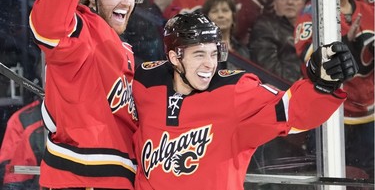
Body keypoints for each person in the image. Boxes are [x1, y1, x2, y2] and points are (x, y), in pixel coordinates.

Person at [132, 12, 358, 190]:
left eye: (213, 54)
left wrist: (322, 85)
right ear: (174, 57)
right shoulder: (143, 82)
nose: (210, 64)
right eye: (199, 54)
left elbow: (290, 112)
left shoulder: (235, 90)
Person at [29, 0, 140, 189]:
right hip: (83, 175)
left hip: (118, 175)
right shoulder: (82, 28)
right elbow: (47, 27)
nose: (125, 1)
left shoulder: (125, 49)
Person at [294, 0, 374, 179]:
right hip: (326, 112)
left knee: (365, 178)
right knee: (324, 177)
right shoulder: (311, 15)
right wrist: (346, 45)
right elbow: (310, 62)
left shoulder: (371, 13)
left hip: (367, 113)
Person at [249, 0, 305, 83]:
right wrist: (298, 84)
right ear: (274, 3)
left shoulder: (310, 27)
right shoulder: (264, 27)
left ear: (303, 4)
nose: (289, 2)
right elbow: (268, 69)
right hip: (286, 89)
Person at [201, 0, 249, 69]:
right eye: (214, 11)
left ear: (233, 16)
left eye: (225, 10)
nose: (220, 15)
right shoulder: (201, 50)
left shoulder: (243, 50)